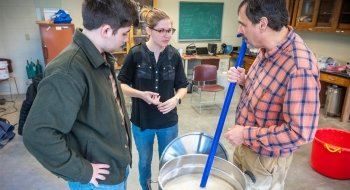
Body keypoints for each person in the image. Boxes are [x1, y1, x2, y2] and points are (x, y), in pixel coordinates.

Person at [23, 0, 138, 189]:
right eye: (125, 34)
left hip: (115, 166)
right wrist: (83, 171)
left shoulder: (102, 56)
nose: (126, 40)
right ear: (106, 30)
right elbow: (37, 134)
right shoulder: (69, 70)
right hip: (96, 180)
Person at [224, 0, 320, 189]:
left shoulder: (300, 68)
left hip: (265, 160)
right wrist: (245, 81)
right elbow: (266, 92)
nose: (239, 30)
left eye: (242, 24)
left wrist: (245, 134)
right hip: (245, 147)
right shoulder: (266, 49)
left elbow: (300, 133)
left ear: (262, 24)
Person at [117, 7, 188, 190]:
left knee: (168, 160)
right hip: (142, 121)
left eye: (169, 30)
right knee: (144, 161)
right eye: (161, 30)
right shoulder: (135, 54)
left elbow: (182, 86)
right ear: (149, 30)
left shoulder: (174, 56)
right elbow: (121, 85)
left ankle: (163, 187)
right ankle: (146, 187)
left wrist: (175, 100)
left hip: (168, 121)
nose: (167, 35)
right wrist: (141, 94)